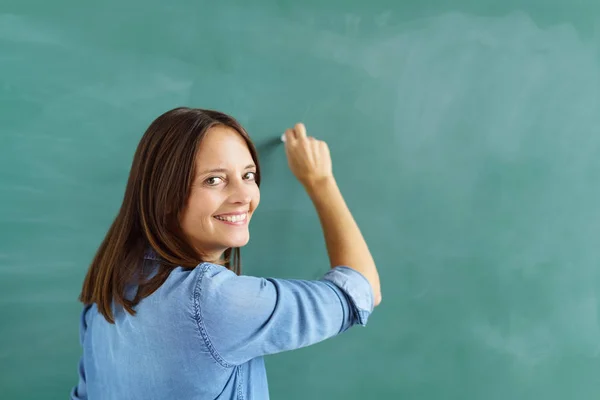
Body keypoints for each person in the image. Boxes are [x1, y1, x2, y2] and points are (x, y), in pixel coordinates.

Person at [70, 107, 382, 400]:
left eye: (248, 175)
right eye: (214, 180)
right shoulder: (211, 300)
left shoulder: (109, 289)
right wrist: (320, 181)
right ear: (165, 197)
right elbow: (360, 290)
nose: (245, 195)